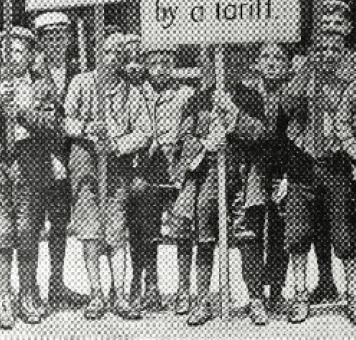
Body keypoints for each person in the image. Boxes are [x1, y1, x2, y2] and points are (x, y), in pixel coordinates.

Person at [166, 48, 270, 326]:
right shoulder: (196, 101)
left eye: (232, 62)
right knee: (204, 228)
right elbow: (182, 139)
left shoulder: (250, 97)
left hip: (242, 170)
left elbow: (260, 134)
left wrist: (234, 115)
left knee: (248, 231)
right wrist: (204, 145)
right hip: (207, 171)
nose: (222, 67)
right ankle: (202, 300)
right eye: (214, 62)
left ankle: (256, 298)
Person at [65, 33, 152, 321]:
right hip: (86, 163)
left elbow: (143, 131)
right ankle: (96, 293)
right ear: (96, 52)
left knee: (116, 229)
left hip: (116, 166)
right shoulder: (81, 83)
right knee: (90, 230)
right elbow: (66, 120)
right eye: (107, 51)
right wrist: (87, 128)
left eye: (117, 53)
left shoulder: (131, 91)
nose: (112, 57)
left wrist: (119, 144)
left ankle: (120, 294)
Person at [0, 26, 62, 328]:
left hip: (30, 166)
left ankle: (27, 293)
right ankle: (4, 297)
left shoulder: (42, 86)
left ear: (31, 55)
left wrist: (21, 112)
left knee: (28, 231)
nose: (12, 57)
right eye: (8, 52)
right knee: (1, 233)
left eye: (18, 51)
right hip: (0, 165)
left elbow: (54, 125)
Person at [279, 29, 356, 324]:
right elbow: (287, 106)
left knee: (344, 233)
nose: (328, 55)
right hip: (303, 163)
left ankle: (352, 294)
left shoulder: (349, 84)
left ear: (343, 52)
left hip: (335, 164)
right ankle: (300, 293)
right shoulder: (304, 79)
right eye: (322, 49)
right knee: (297, 233)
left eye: (335, 50)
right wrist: (307, 69)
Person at [33, 12, 87, 309]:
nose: (55, 43)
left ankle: (56, 284)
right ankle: (30, 289)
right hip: (39, 157)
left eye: (60, 37)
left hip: (69, 158)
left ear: (68, 39)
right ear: (41, 42)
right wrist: (52, 157)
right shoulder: (32, 71)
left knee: (59, 222)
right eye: (49, 38)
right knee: (30, 224)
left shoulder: (79, 70)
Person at [135, 48, 194, 314]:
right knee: (147, 232)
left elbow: (191, 135)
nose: (160, 68)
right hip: (147, 172)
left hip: (177, 172)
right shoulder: (137, 93)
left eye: (166, 63)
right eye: (154, 63)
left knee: (182, 229)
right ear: (147, 65)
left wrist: (183, 166)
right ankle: (151, 288)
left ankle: (183, 290)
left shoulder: (184, 95)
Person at [241, 43, 294, 312]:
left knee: (280, 229)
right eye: (266, 57)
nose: (272, 63)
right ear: (257, 63)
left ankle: (276, 291)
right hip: (251, 167)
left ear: (287, 66)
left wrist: (288, 174)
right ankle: (255, 295)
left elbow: (296, 137)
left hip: (283, 168)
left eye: (279, 58)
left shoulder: (293, 95)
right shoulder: (246, 94)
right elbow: (239, 132)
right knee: (251, 230)